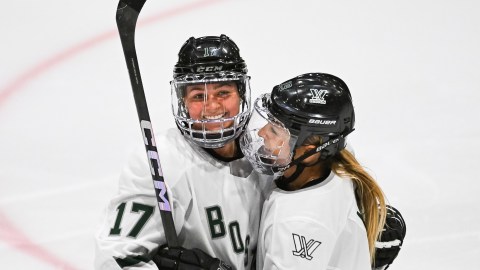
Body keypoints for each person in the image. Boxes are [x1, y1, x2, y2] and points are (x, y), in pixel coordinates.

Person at [95, 34, 273, 270]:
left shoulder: (270, 152)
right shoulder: (162, 162)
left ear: (241, 94)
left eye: (223, 92)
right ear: (183, 102)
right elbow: (115, 259)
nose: (212, 106)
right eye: (199, 96)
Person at [240, 73, 403, 269]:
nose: (262, 133)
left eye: (275, 131)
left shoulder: (296, 224)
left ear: (309, 152)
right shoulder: (338, 161)